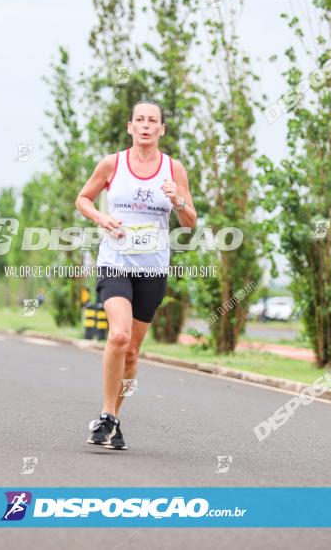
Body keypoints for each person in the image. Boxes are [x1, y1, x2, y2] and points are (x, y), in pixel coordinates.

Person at [75, 100, 196, 450]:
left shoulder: (174, 170)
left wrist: (179, 202)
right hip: (115, 262)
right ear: (130, 127)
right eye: (140, 120)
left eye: (153, 120)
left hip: (153, 267)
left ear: (162, 130)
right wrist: (101, 218)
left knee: (132, 352)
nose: (146, 125)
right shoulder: (113, 163)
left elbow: (191, 222)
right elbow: (83, 198)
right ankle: (107, 413)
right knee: (118, 336)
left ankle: (114, 418)